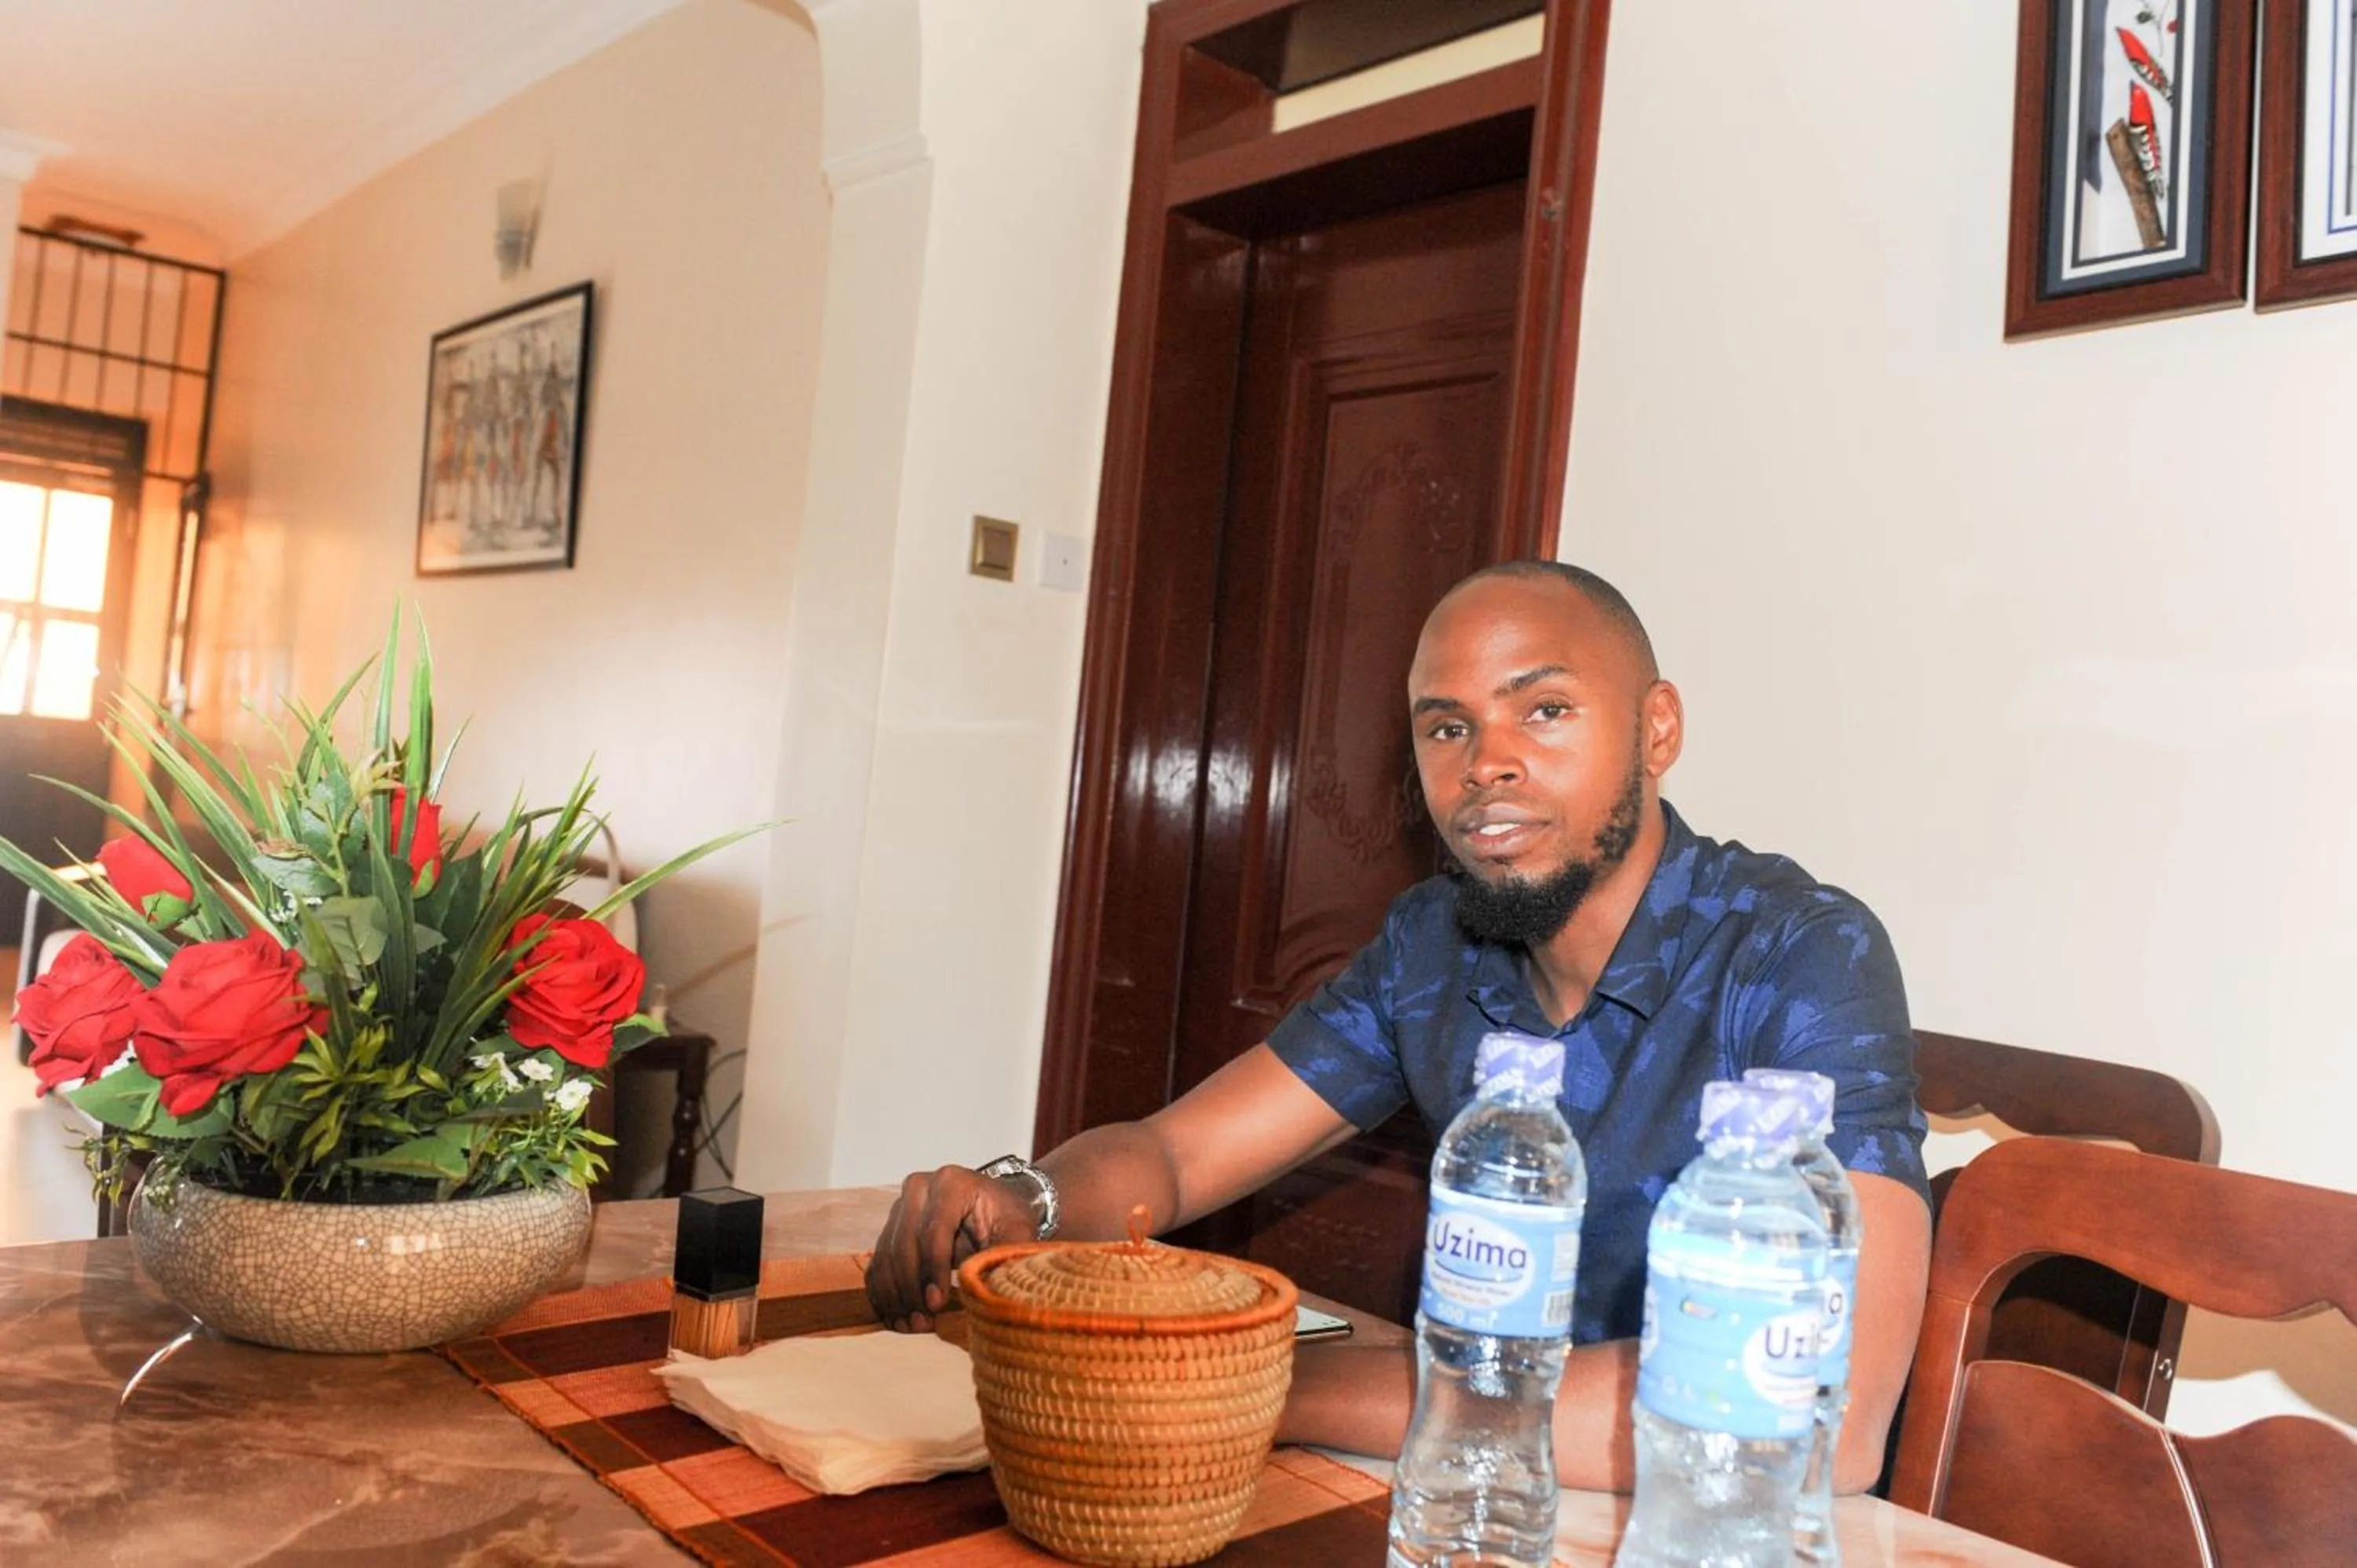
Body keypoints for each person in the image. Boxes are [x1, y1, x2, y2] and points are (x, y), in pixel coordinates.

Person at [864, 561, 1931, 1492]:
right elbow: (1176, 1158)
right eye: (1448, 726)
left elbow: (1822, 1423)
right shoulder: (1435, 943)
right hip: (1456, 1503)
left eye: (1545, 710)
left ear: (1658, 730)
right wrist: (1029, 1202)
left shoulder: (1801, 955)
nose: (1485, 763)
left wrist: (1266, 1387)